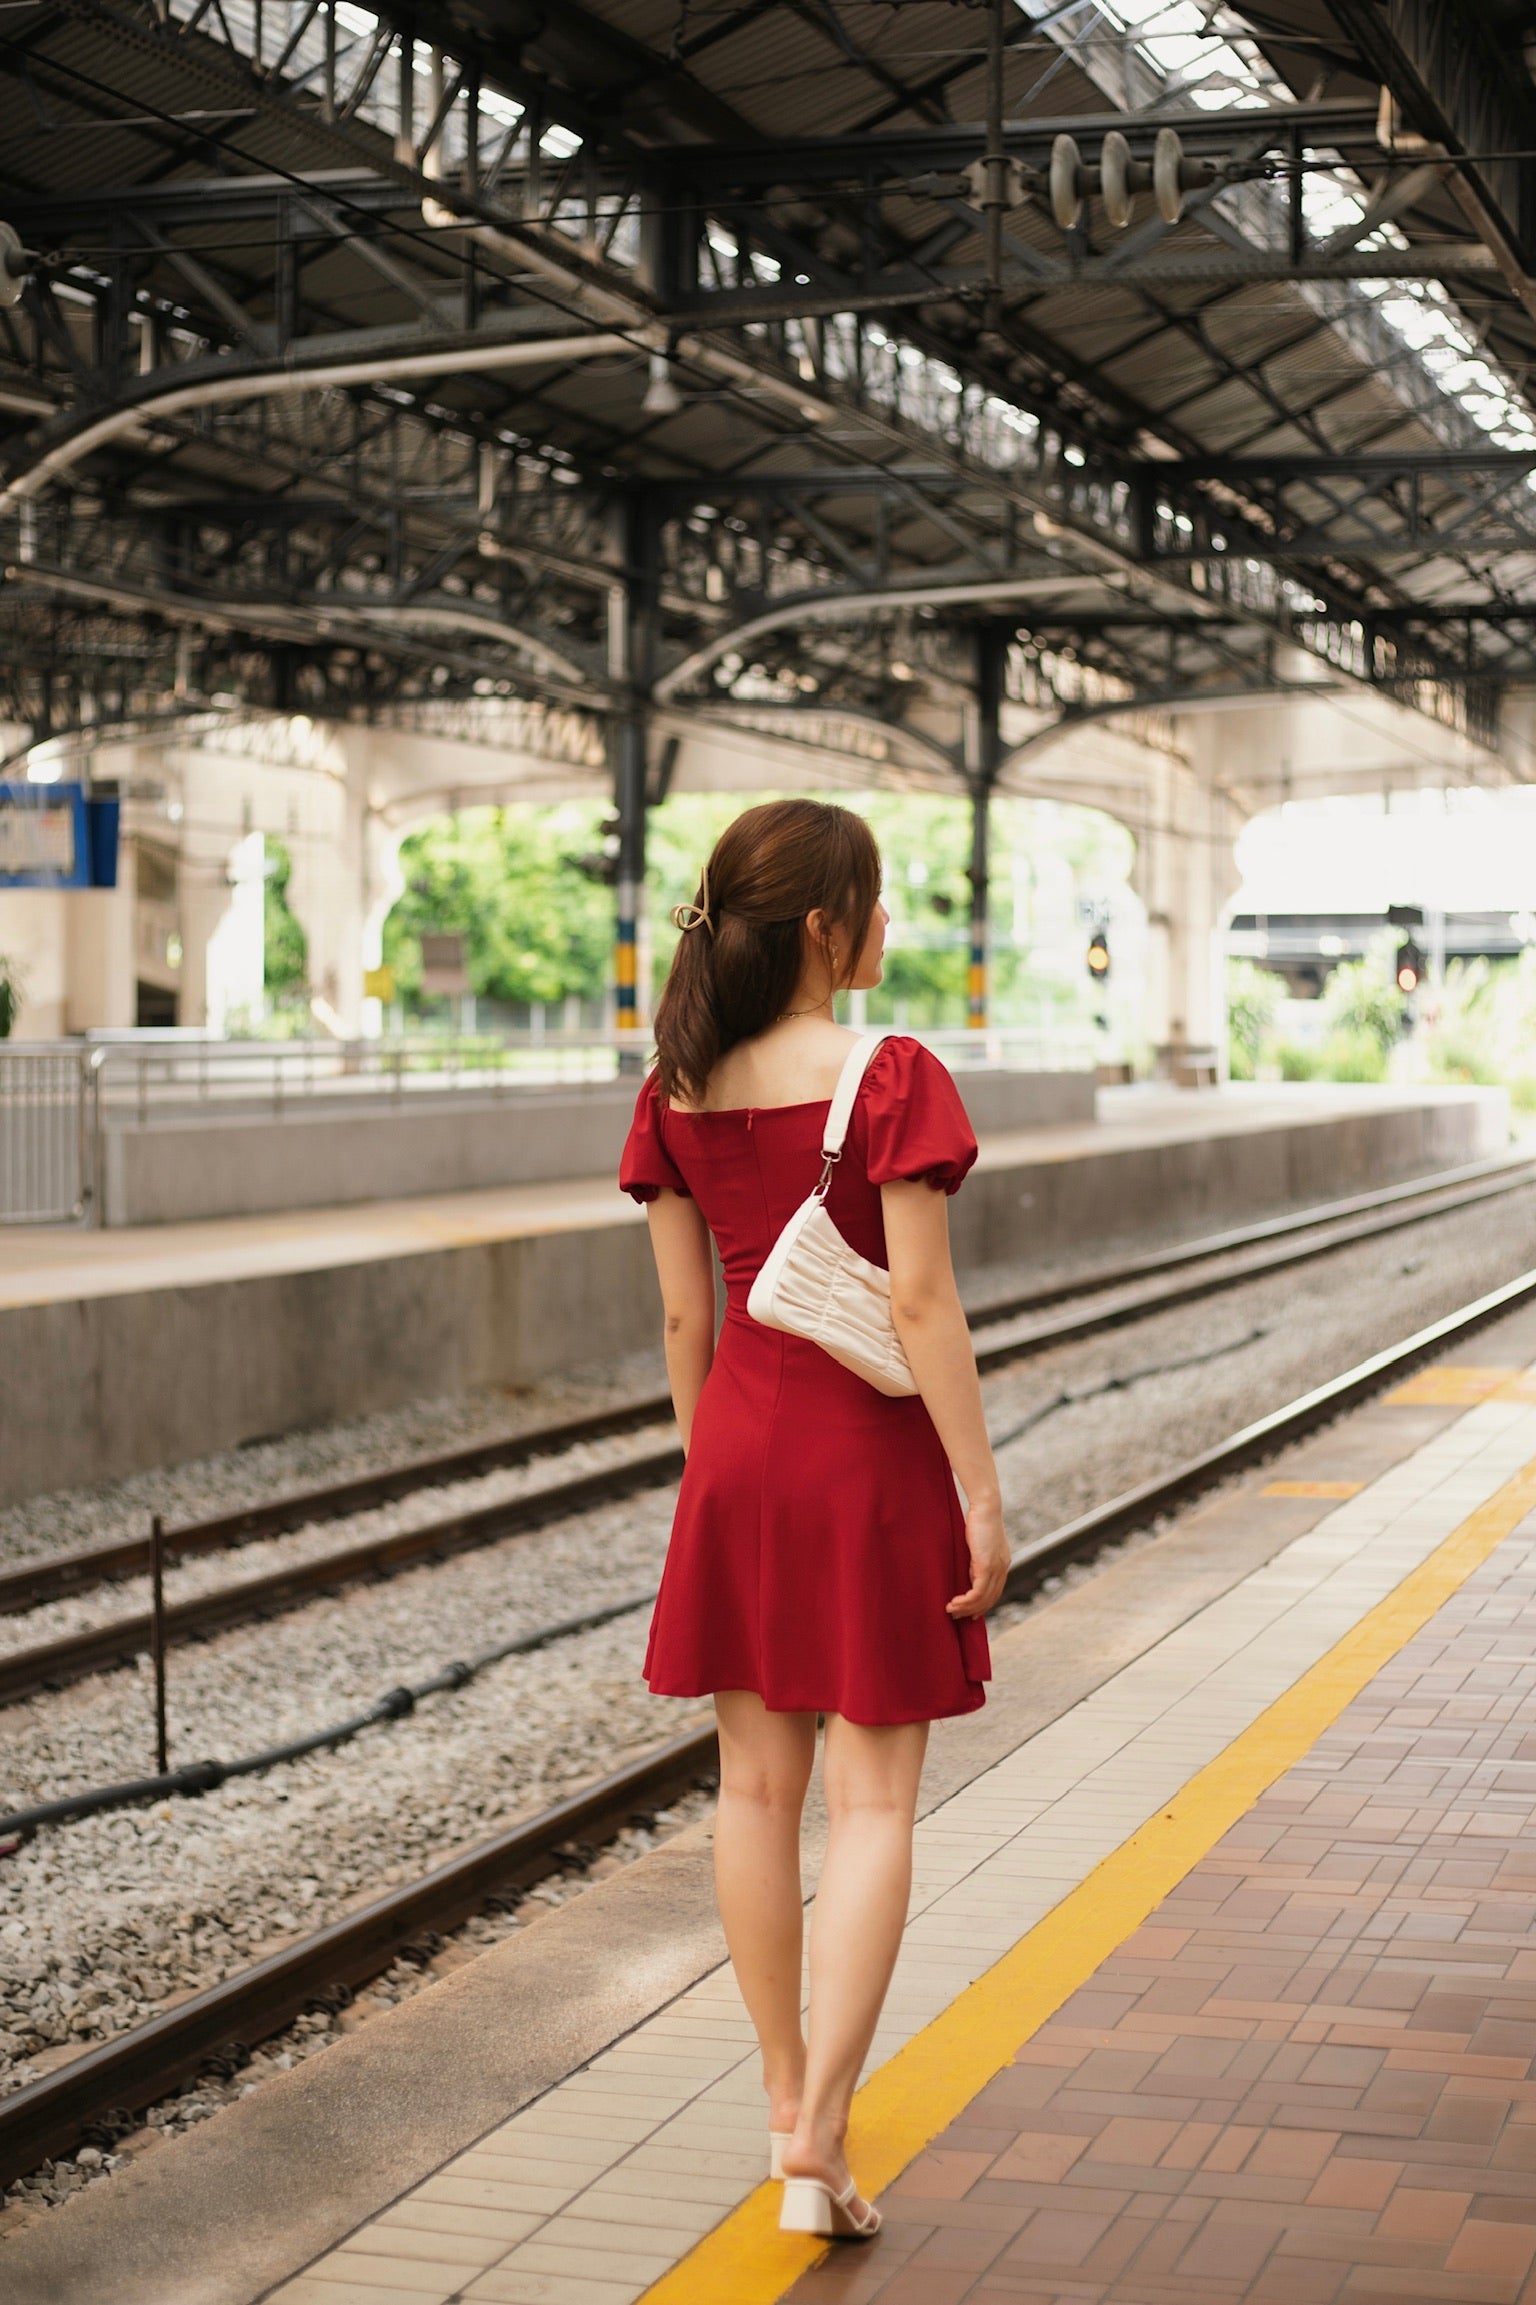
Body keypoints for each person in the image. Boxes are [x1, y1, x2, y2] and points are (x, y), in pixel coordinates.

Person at [619, 797, 1008, 2241]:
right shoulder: (888, 1073)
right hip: (865, 1458)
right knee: (877, 1803)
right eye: (882, 903)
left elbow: (682, 1310)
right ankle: (825, 2134)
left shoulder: (675, 1086)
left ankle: (784, 2091)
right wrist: (980, 1491)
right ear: (830, 927)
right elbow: (917, 1302)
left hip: (738, 1453)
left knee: (754, 1795)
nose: (889, 927)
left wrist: (709, 1465)